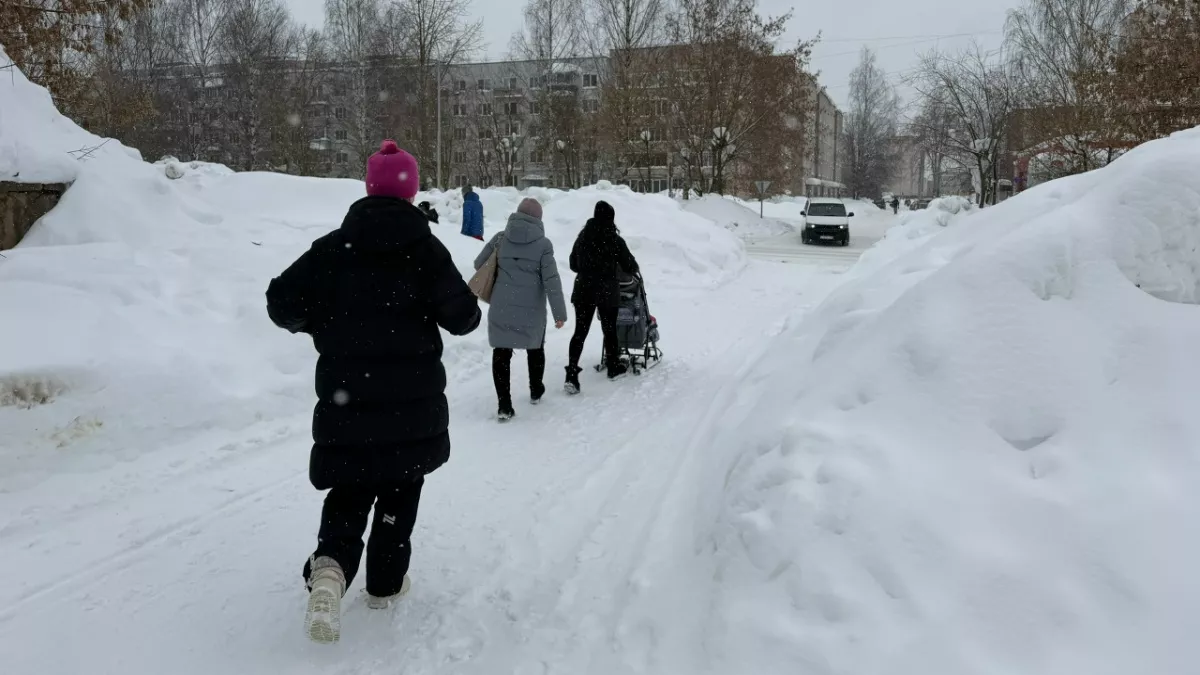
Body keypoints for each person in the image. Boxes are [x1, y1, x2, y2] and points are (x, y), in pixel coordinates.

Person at [266, 139, 481, 644]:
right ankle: (384, 584)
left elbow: (281, 301)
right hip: (411, 407)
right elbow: (465, 318)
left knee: (350, 488)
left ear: (368, 188)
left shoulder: (333, 247)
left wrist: (319, 322)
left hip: (348, 402)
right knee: (400, 489)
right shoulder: (426, 249)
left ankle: (331, 568)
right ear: (410, 192)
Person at [473, 197, 568, 421]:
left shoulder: (500, 239)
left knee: (501, 352)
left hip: (502, 306)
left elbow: (479, 263)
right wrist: (559, 314)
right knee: (535, 347)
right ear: (538, 219)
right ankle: (536, 389)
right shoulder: (544, 245)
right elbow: (551, 281)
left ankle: (504, 405)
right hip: (531, 309)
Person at [565, 200, 639, 393]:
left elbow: (573, 264)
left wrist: (588, 268)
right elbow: (630, 265)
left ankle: (571, 374)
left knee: (580, 332)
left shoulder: (583, 237)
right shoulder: (614, 239)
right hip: (606, 290)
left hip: (583, 290)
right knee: (609, 329)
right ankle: (613, 367)